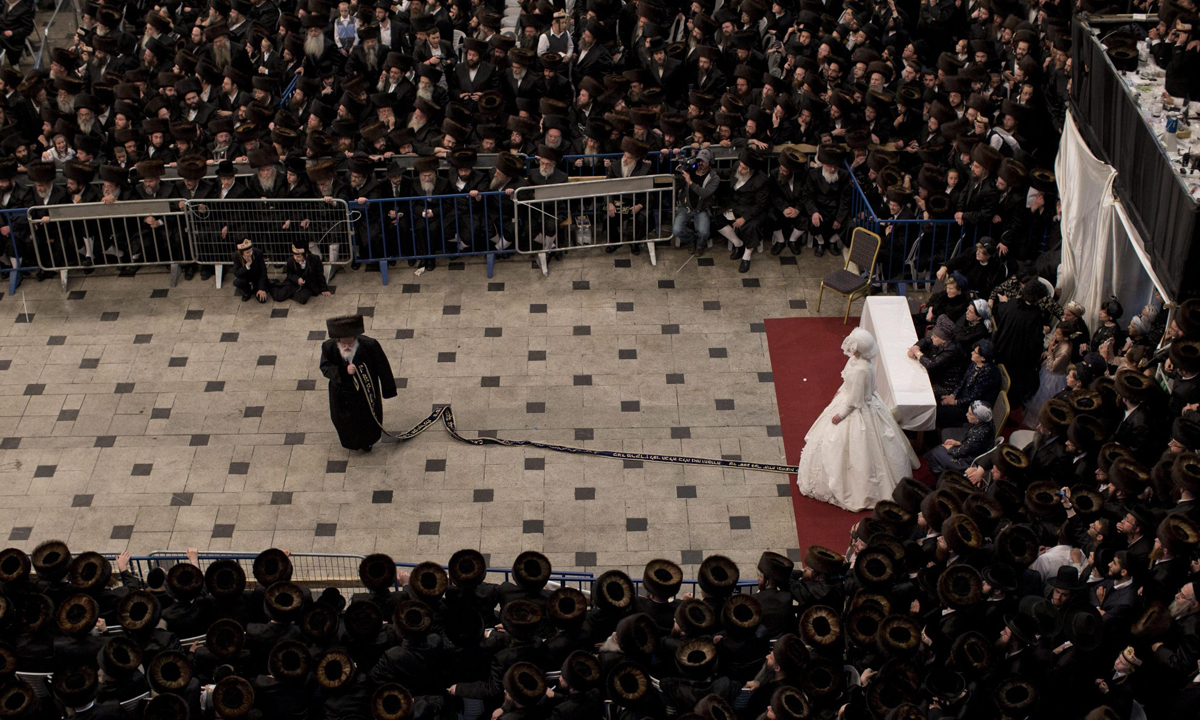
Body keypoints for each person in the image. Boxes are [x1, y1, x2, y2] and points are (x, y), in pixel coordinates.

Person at [795, 328, 919, 511]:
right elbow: (850, 385)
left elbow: (856, 399)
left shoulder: (863, 368)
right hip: (852, 399)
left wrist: (841, 414)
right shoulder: (858, 361)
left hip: (856, 408)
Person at [319, 314, 397, 453]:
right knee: (344, 421)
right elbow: (325, 367)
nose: (347, 346)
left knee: (367, 419)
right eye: (343, 343)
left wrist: (388, 389)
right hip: (341, 393)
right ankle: (351, 442)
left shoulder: (370, 345)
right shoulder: (328, 347)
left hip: (365, 392)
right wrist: (343, 371)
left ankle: (367, 442)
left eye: (350, 342)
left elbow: (382, 367)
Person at [231, 239, 270, 303]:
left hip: (257, 277)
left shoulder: (258, 253)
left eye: (251, 251)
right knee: (237, 282)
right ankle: (248, 291)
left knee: (262, 299)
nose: (250, 253)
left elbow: (263, 271)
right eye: (247, 252)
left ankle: (256, 288)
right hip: (245, 277)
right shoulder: (236, 256)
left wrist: (261, 288)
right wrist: (247, 265)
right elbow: (237, 273)